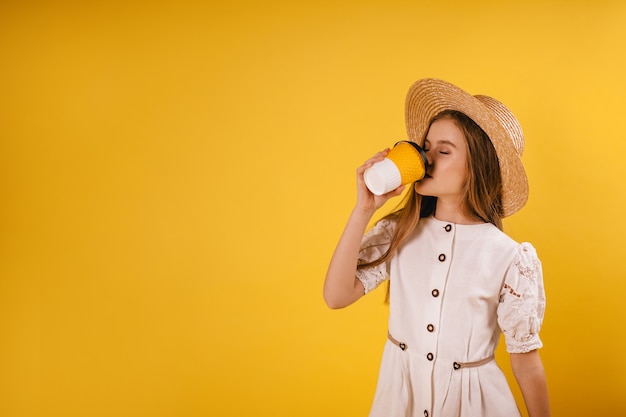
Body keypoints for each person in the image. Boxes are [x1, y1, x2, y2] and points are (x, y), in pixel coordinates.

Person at [323, 78, 549, 417]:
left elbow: (526, 362)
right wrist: (364, 209)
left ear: (478, 168)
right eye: (424, 147)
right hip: (401, 402)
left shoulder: (510, 258)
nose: (425, 159)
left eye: (443, 151)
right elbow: (336, 296)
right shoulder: (399, 232)